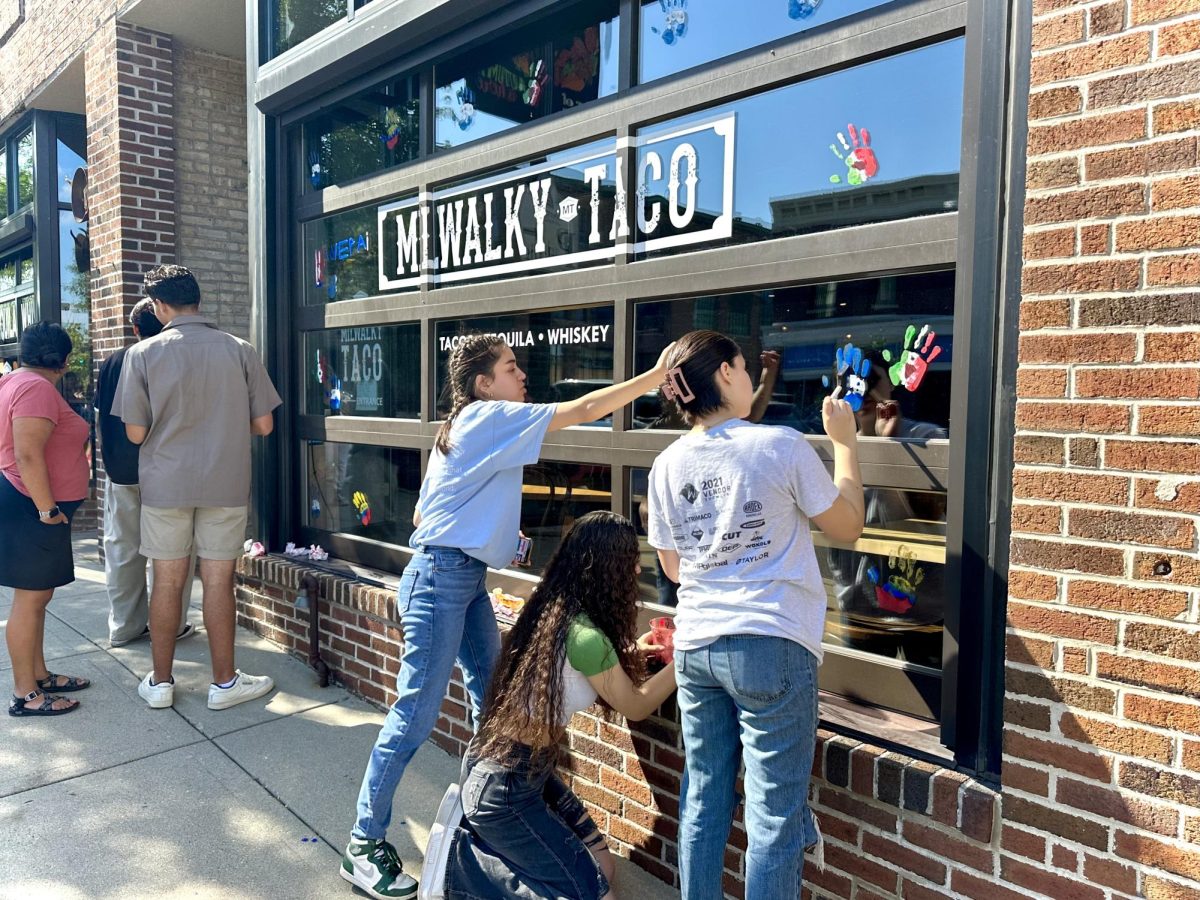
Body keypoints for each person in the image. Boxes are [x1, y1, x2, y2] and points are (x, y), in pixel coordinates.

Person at [341, 333, 674, 900]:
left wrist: (492, 535)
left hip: (461, 576)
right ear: (482, 383)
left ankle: (488, 816)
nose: (523, 377)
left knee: (490, 703)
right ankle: (362, 844)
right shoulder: (487, 417)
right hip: (443, 578)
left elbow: (426, 509)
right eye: (512, 367)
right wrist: (653, 376)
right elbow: (583, 410)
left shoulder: (463, 431)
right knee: (416, 714)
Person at [645, 330, 864, 900]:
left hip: (696, 646)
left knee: (704, 794)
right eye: (743, 369)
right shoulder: (780, 445)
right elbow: (847, 526)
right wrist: (844, 443)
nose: (747, 378)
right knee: (773, 815)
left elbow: (672, 568)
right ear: (725, 373)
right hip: (769, 640)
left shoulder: (665, 464)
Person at [418, 511, 678, 900]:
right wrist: (691, 657)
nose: (638, 566)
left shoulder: (555, 611)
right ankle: (462, 869)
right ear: (609, 569)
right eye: (630, 559)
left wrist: (633, 650)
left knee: (602, 868)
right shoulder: (586, 634)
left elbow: (583, 668)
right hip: (504, 787)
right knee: (596, 895)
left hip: (520, 771)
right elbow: (636, 705)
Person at [113, 265, 282, 711]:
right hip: (225, 482)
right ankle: (225, 684)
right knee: (219, 581)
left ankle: (162, 683)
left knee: (166, 582)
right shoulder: (239, 349)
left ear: (158, 306)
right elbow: (264, 424)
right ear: (198, 300)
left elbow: (134, 433)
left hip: (166, 484)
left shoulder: (143, 354)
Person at [2, 322, 92, 717]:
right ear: (63, 359)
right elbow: (27, 454)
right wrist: (47, 510)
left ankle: (38, 674)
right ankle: (26, 694)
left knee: (38, 597)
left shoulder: (15, 381)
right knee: (30, 599)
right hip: (31, 507)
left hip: (29, 505)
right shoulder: (36, 387)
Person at [96, 298, 196, 647]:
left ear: (135, 329)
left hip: (122, 472)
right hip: (167, 473)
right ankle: (172, 625)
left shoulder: (112, 362)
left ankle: (124, 627)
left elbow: (101, 420)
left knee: (124, 551)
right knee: (174, 552)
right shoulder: (176, 358)